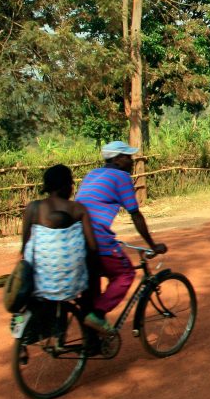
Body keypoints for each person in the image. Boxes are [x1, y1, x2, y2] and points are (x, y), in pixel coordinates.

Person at [75, 141, 167, 334]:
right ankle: (98, 315)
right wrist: (153, 245)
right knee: (125, 273)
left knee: (93, 287)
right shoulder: (121, 177)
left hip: (77, 240)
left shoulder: (92, 174)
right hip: (98, 238)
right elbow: (135, 214)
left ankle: (92, 340)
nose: (132, 161)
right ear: (117, 159)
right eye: (128, 157)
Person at [20, 164, 97, 308]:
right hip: (73, 282)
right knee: (94, 263)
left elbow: (25, 245)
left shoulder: (33, 208)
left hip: (40, 282)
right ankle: (90, 313)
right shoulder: (78, 209)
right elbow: (93, 246)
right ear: (66, 186)